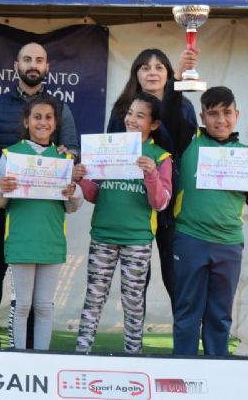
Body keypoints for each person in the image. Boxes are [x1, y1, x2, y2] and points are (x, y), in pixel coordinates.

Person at [0, 42, 79, 348]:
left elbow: (72, 149)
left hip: (41, 210)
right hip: (1, 202)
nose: (33, 64)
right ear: (16, 65)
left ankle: (30, 342)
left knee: (35, 288)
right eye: (27, 59)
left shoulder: (59, 108)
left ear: (46, 67)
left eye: (39, 60)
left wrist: (71, 157)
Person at [162, 81, 248, 356]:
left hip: (229, 243)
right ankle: (183, 371)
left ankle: (216, 371)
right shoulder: (189, 141)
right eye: (213, 114)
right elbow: (170, 111)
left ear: (237, 115)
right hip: (190, 240)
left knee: (220, 315)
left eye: (227, 113)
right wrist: (179, 78)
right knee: (187, 311)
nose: (220, 120)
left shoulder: (247, 154)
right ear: (202, 118)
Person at [75, 92, 172, 354]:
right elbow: (95, 194)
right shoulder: (109, 148)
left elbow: (161, 203)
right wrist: (81, 178)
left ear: (153, 124)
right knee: (94, 298)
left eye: (140, 115)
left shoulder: (160, 157)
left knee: (132, 301)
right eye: (130, 113)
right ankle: (80, 354)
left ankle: (133, 356)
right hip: (103, 235)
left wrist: (151, 174)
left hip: (137, 239)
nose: (131, 119)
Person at [0, 94, 83, 350]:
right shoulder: (10, 156)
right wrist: (1, 188)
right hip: (20, 241)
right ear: (26, 122)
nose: (43, 122)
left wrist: (74, 192)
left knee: (43, 306)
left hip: (51, 242)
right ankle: (18, 356)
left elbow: (73, 205)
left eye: (48, 117)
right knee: (23, 305)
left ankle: (42, 359)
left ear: (56, 123)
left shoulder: (63, 159)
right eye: (37, 117)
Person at [107, 48, 197, 312]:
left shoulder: (185, 107)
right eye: (145, 67)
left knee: (175, 275)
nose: (152, 72)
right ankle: (134, 344)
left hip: (171, 205)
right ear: (136, 74)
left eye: (159, 67)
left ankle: (185, 345)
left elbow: (183, 145)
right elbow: (109, 155)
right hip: (132, 204)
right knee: (137, 280)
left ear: (169, 74)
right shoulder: (121, 110)